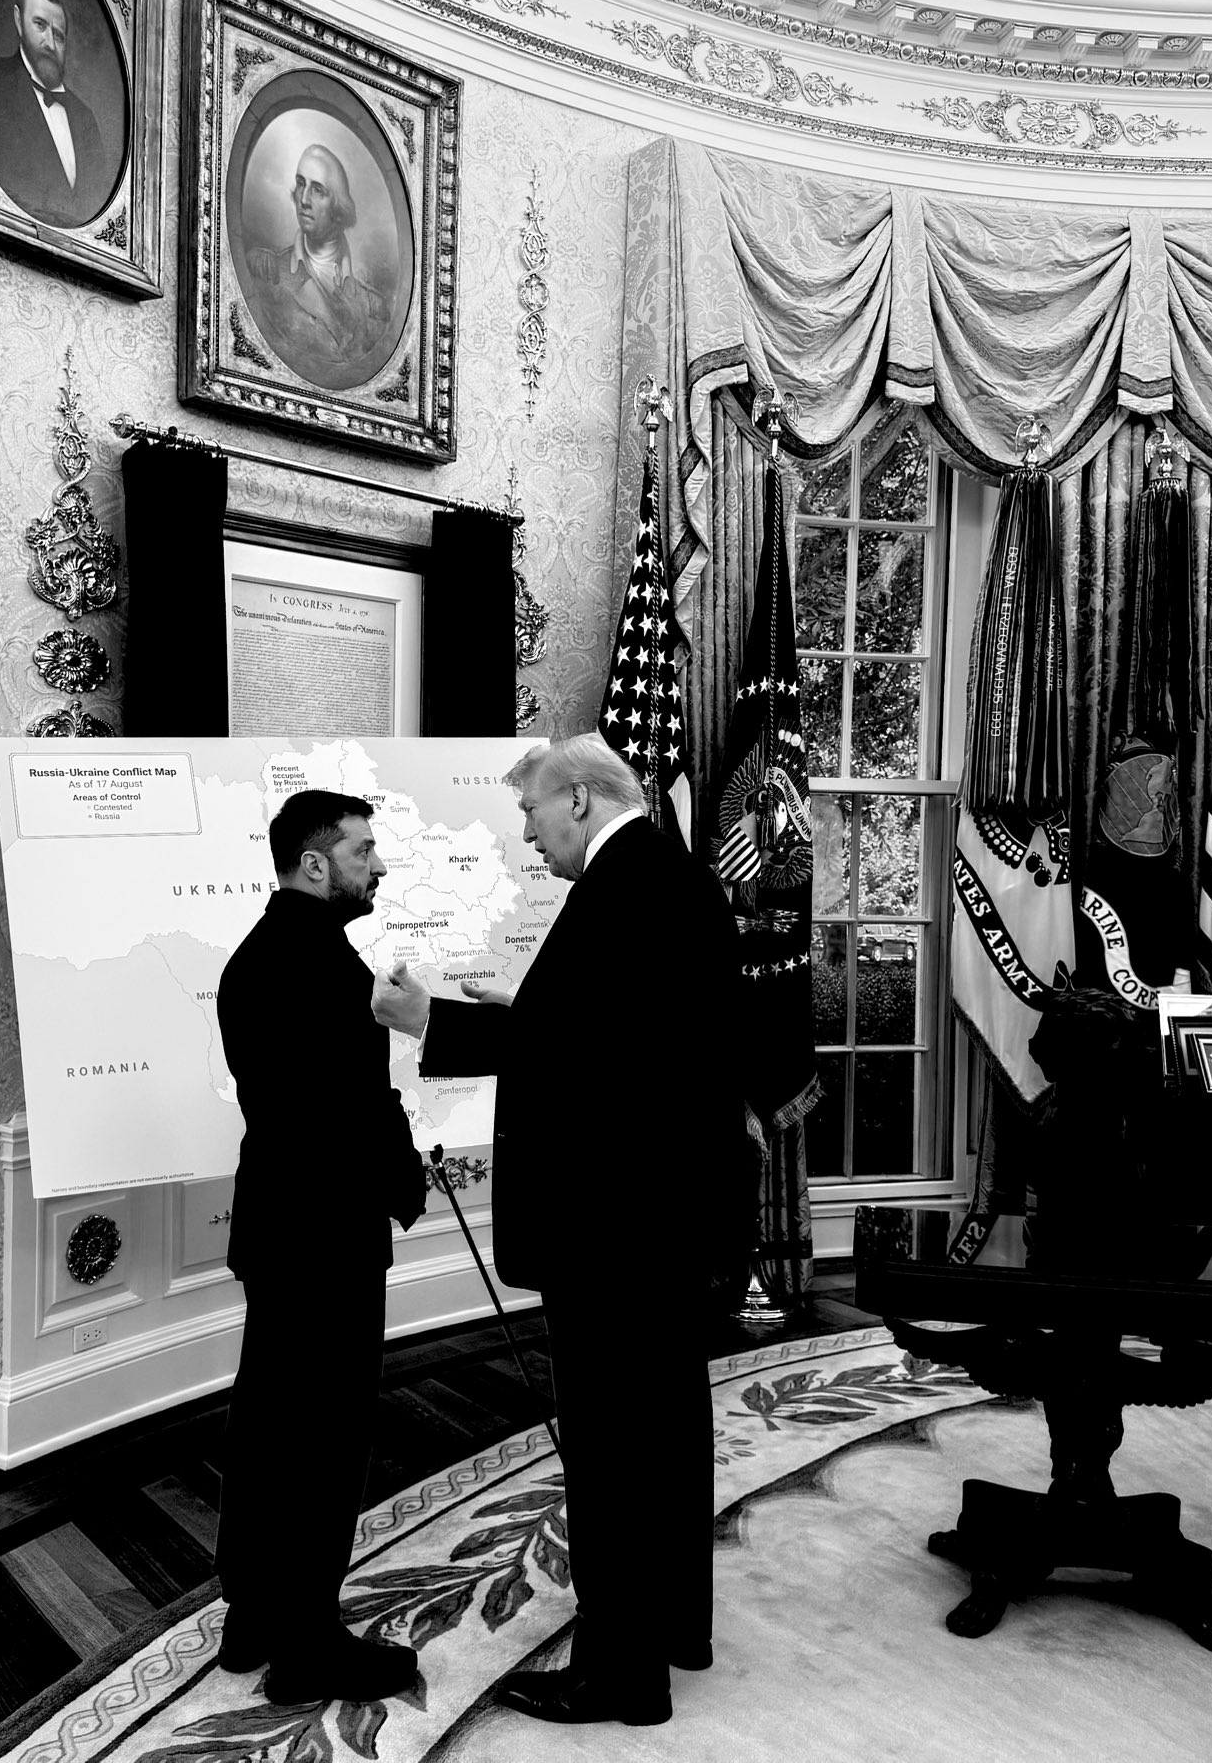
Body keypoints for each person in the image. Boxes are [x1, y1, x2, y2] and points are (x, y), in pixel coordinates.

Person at [373, 735, 751, 1728]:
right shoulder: (668, 879)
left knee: (615, 1452)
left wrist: (431, 1021)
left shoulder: (623, 888)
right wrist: (526, 1004)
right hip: (662, 1225)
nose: (526, 835)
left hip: (613, 1233)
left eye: (532, 815)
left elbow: (593, 1061)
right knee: (664, 1436)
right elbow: (620, 1034)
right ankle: (672, 1628)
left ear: (579, 798)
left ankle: (619, 1677)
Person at [213, 790, 429, 1704]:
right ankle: (307, 1648)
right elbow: (346, 1108)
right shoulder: (325, 968)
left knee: (269, 1424)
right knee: (323, 1440)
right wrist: (405, 1176)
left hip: (279, 1228)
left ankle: (252, 1619)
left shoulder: (254, 958)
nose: (376, 865)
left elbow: (299, 1106)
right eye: (363, 849)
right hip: (329, 1235)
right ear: (315, 863)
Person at [0, 0, 116, 227]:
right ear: (19, 21)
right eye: (40, 25)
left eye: (59, 35)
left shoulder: (84, 117)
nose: (50, 44)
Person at [245, 143, 393, 385]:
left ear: (338, 208)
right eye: (301, 184)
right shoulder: (266, 270)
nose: (303, 200)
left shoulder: (372, 305)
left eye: (318, 190)